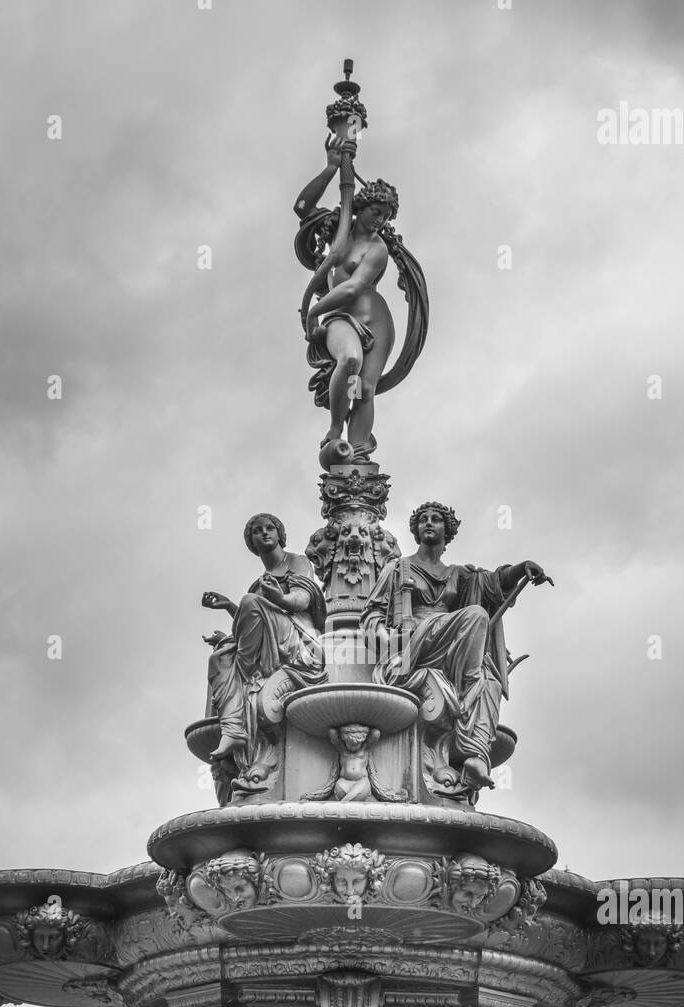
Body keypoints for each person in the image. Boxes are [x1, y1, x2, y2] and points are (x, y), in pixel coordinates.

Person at [362, 501, 549, 788]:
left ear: (447, 532)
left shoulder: (459, 575)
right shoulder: (397, 569)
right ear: (415, 530)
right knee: (476, 615)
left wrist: (522, 568)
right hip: (414, 642)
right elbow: (372, 614)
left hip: (448, 643)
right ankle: (469, 682)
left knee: (492, 684)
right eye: (423, 519)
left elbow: (493, 584)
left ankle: (475, 756)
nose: (428, 523)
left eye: (436, 519)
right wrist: (388, 641)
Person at [294, 135, 398, 456]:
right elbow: (301, 207)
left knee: (364, 390)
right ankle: (335, 427)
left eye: (386, 216)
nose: (379, 220)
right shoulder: (338, 227)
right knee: (350, 359)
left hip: (376, 322)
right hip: (342, 318)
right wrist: (331, 169)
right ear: (363, 206)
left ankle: (356, 457)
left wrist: (312, 312)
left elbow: (352, 288)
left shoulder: (377, 249)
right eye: (376, 211)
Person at [201, 513, 326, 762]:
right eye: (258, 531)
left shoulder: (297, 562)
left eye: (270, 528)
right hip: (271, 639)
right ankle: (233, 728)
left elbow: (302, 600)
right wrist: (229, 608)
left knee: (243, 620)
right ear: (252, 543)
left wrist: (279, 598)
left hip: (298, 637)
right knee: (219, 658)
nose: (265, 533)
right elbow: (252, 626)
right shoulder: (256, 586)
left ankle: (248, 677)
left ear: (280, 535)